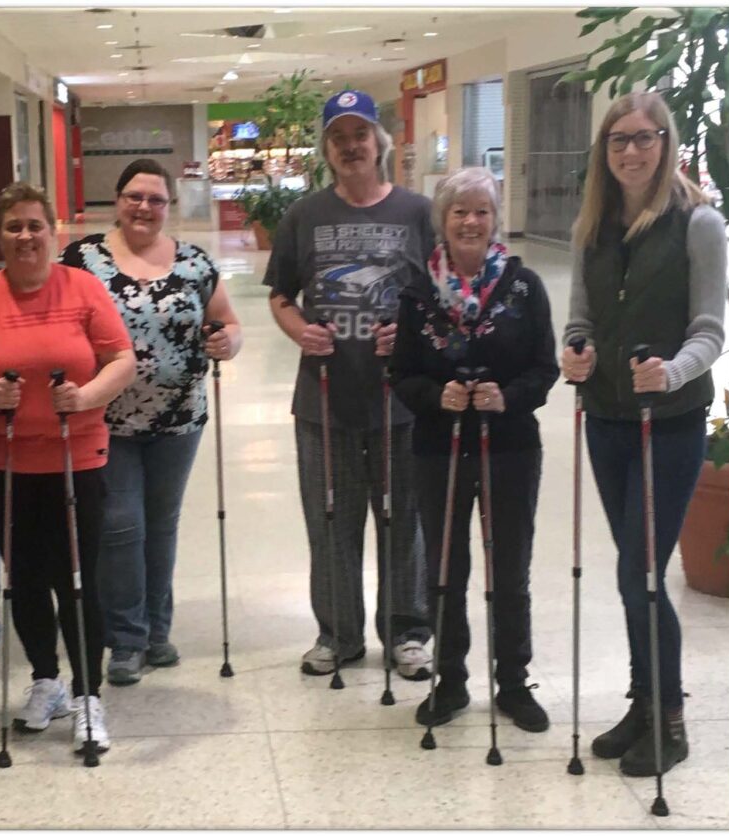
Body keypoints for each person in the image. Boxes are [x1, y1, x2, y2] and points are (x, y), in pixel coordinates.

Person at [562, 91, 726, 776]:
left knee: (642, 575)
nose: (631, 151)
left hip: (672, 421)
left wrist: (675, 370)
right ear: (605, 150)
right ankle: (642, 703)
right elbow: (579, 315)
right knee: (638, 575)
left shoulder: (699, 223)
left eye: (645, 137)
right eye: (619, 140)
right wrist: (576, 350)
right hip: (606, 416)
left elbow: (710, 328)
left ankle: (671, 717)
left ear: (668, 143)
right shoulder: (592, 225)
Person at [0, 183, 135, 753]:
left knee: (77, 578)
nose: (25, 237)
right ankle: (45, 680)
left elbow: (121, 358)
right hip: (2, 461)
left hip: (78, 456)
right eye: (13, 227)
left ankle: (88, 692)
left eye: (35, 225)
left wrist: (88, 394)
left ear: (54, 231)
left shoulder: (83, 288)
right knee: (23, 578)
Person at [264, 89, 434, 679]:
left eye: (360, 135)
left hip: (402, 401)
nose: (350, 146)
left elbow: (443, 300)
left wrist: (412, 336)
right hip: (324, 400)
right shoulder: (303, 216)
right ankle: (338, 634)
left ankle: (409, 633)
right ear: (327, 149)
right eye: (338, 137)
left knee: (404, 518)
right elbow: (281, 296)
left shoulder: (418, 213)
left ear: (380, 143)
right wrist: (298, 331)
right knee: (330, 520)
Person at [61, 159, 243, 685]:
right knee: (121, 525)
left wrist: (228, 341)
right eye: (134, 197)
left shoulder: (194, 263)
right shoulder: (81, 259)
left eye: (156, 200)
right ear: (117, 201)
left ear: (170, 206)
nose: (144, 207)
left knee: (161, 525)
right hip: (105, 416)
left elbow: (228, 322)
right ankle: (124, 638)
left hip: (180, 420)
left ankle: (157, 631)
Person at [391, 167, 558, 732]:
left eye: (481, 210)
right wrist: (438, 396)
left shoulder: (524, 285)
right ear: (442, 219)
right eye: (459, 210)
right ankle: (451, 679)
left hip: (510, 445)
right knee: (445, 568)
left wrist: (505, 397)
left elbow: (545, 367)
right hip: (439, 448)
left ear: (495, 219)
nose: (470, 220)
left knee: (509, 568)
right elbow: (402, 373)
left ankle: (513, 681)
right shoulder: (417, 293)